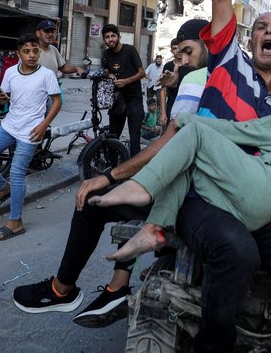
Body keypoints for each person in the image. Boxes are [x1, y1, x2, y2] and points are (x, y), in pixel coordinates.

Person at [74, 0, 271, 352]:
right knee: (237, 252)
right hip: (209, 197)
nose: (268, 31)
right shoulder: (232, 64)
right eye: (261, 27)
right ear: (248, 42)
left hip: (266, 202)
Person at [11, 18, 208, 330]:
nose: (182, 60)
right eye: (178, 53)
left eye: (187, 52)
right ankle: (116, 289)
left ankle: (61, 290)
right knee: (128, 185)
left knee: (93, 200)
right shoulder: (217, 74)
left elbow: (169, 143)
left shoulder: (196, 76)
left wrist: (108, 177)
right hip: (193, 185)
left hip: (186, 192)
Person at [87, 76, 271, 257]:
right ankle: (155, 228)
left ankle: (141, 186)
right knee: (186, 165)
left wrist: (183, 119)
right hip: (261, 212)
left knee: (195, 132)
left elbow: (235, 130)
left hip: (269, 183)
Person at [0, 33, 61, 241]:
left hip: (31, 131)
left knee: (17, 173)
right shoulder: (11, 72)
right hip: (9, 126)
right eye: (26, 51)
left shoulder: (47, 75)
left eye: (35, 51)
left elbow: (57, 102)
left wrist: (43, 125)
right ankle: (3, 189)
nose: (31, 55)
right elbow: (6, 98)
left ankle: (16, 222)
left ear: (39, 52)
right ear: (18, 54)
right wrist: (0, 97)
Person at [101, 24, 145, 156]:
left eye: (113, 36)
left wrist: (126, 81)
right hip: (117, 101)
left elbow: (142, 73)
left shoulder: (130, 50)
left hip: (134, 99)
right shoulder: (106, 53)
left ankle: (134, 172)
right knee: (113, 137)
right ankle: (113, 169)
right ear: (104, 40)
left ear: (119, 37)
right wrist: (109, 75)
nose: (110, 39)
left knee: (134, 139)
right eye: (107, 37)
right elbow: (105, 71)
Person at [159, 38, 182, 127]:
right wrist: (163, 113)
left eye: (179, 48)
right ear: (171, 51)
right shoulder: (168, 66)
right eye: (175, 48)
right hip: (172, 104)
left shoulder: (190, 65)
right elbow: (163, 90)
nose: (178, 51)